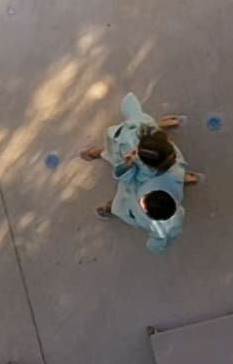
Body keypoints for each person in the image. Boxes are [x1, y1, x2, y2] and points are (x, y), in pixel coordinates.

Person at [81, 93, 200, 252]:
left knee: (121, 201)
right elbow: (162, 238)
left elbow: (126, 180)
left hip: (149, 172)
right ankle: (185, 177)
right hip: (173, 179)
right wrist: (155, 246)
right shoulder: (171, 167)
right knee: (175, 176)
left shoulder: (143, 180)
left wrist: (127, 166)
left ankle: (112, 207)